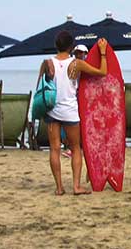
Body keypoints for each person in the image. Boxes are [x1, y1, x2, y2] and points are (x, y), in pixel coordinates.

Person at [37, 32, 110, 195]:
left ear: (56, 45)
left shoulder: (47, 63)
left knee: (54, 149)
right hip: (70, 111)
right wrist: (103, 52)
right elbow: (102, 72)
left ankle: (59, 188)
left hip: (51, 111)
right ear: (71, 47)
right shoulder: (76, 64)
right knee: (76, 148)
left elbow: (40, 88)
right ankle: (76, 187)